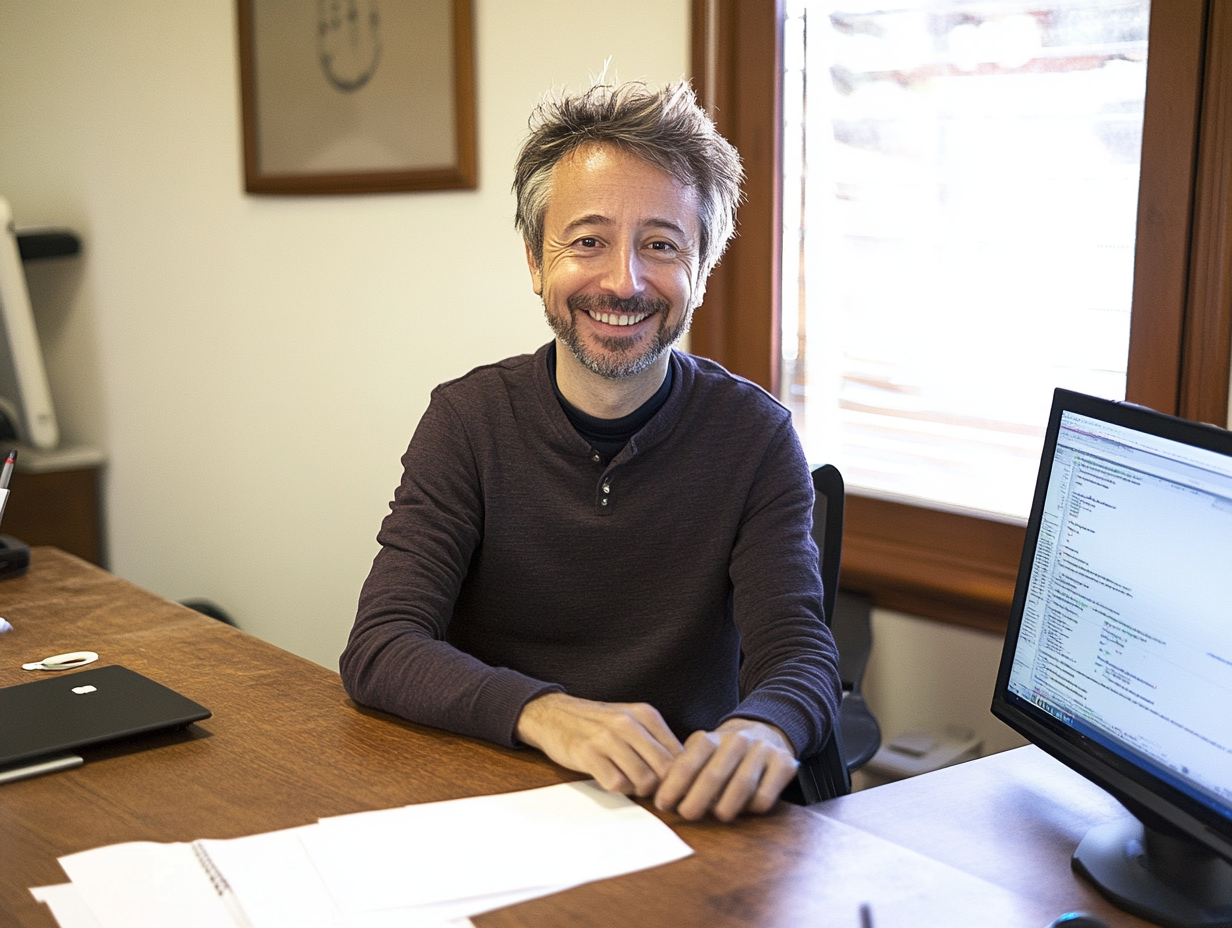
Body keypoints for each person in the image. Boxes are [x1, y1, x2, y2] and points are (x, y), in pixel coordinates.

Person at [341, 80, 841, 822]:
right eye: (587, 241)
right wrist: (546, 712)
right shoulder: (467, 421)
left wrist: (764, 725)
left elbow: (799, 653)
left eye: (662, 245)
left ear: (702, 269)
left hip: (679, 810)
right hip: (495, 795)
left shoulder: (755, 437)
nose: (623, 280)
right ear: (536, 261)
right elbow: (381, 645)